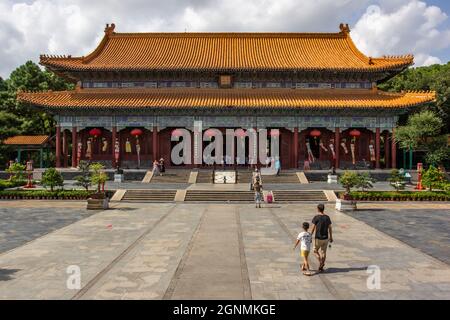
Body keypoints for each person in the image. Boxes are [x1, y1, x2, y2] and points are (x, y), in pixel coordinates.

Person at [310, 204, 333, 272]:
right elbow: (330, 228)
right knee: (323, 252)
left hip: (318, 238)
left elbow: (313, 228)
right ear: (323, 209)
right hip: (326, 238)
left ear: (318, 209)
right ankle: (321, 266)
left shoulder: (316, 217)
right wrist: (331, 237)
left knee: (315, 251)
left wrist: (310, 236)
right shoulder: (327, 217)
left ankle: (320, 262)